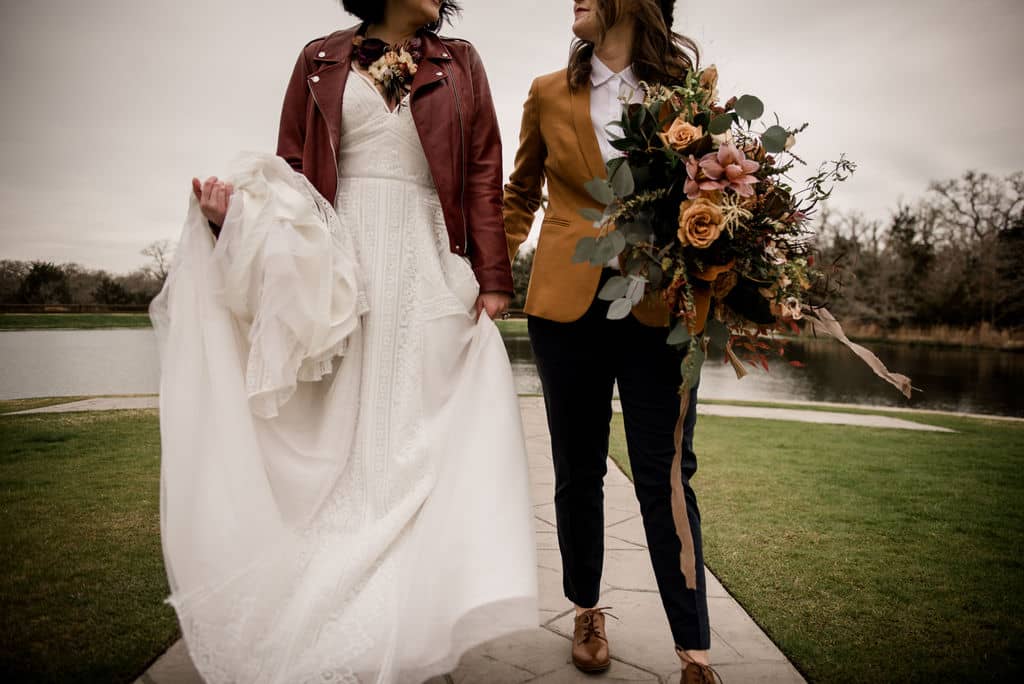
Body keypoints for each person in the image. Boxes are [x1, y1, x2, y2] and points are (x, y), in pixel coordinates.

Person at [162, 1, 538, 682]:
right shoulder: (318, 59)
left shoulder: (462, 63)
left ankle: (417, 610)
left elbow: (484, 170)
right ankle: (333, 608)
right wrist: (236, 220)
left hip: (427, 262)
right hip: (342, 268)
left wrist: (493, 275)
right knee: (346, 435)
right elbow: (290, 177)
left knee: (423, 437)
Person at [503, 1, 719, 682]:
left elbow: (708, 188)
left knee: (667, 476)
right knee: (578, 471)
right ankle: (587, 609)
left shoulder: (684, 93)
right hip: (563, 307)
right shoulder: (546, 93)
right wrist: (482, 272)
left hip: (658, 309)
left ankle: (694, 646)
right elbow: (520, 193)